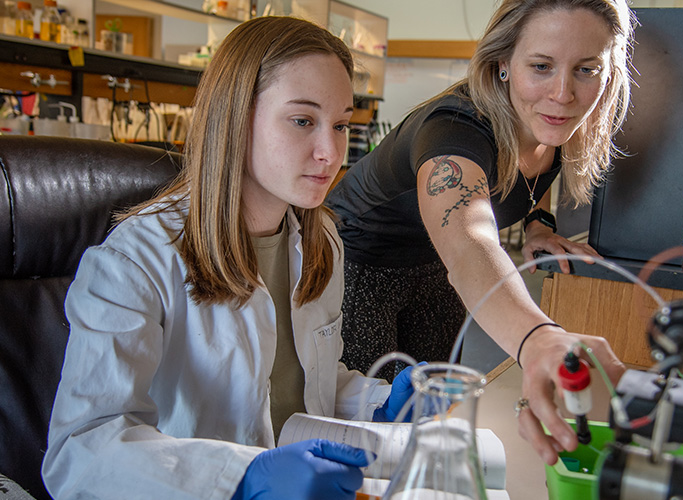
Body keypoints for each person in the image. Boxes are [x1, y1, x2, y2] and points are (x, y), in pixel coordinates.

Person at [42, 16, 415, 500]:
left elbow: (302, 384)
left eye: (341, 124)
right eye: (303, 121)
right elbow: (80, 451)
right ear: (235, 118)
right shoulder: (135, 260)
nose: (331, 152)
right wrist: (243, 479)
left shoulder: (321, 238)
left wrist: (379, 404)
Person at [326, 0, 633, 464]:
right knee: (366, 426)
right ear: (502, 64)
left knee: (429, 411)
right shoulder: (454, 128)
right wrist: (539, 339)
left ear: (608, 74)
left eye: (587, 69)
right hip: (359, 256)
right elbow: (470, 241)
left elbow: (529, 177)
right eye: (541, 66)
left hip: (433, 264)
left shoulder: (550, 125)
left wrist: (537, 224)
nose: (564, 93)